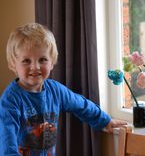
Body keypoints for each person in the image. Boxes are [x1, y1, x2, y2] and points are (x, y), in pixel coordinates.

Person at [0, 23, 127, 156]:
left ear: (52, 62)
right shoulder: (10, 101)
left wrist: (105, 120)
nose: (35, 67)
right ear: (13, 64)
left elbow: (81, 105)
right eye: (26, 61)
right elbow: (6, 144)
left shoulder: (55, 90)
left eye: (42, 59)